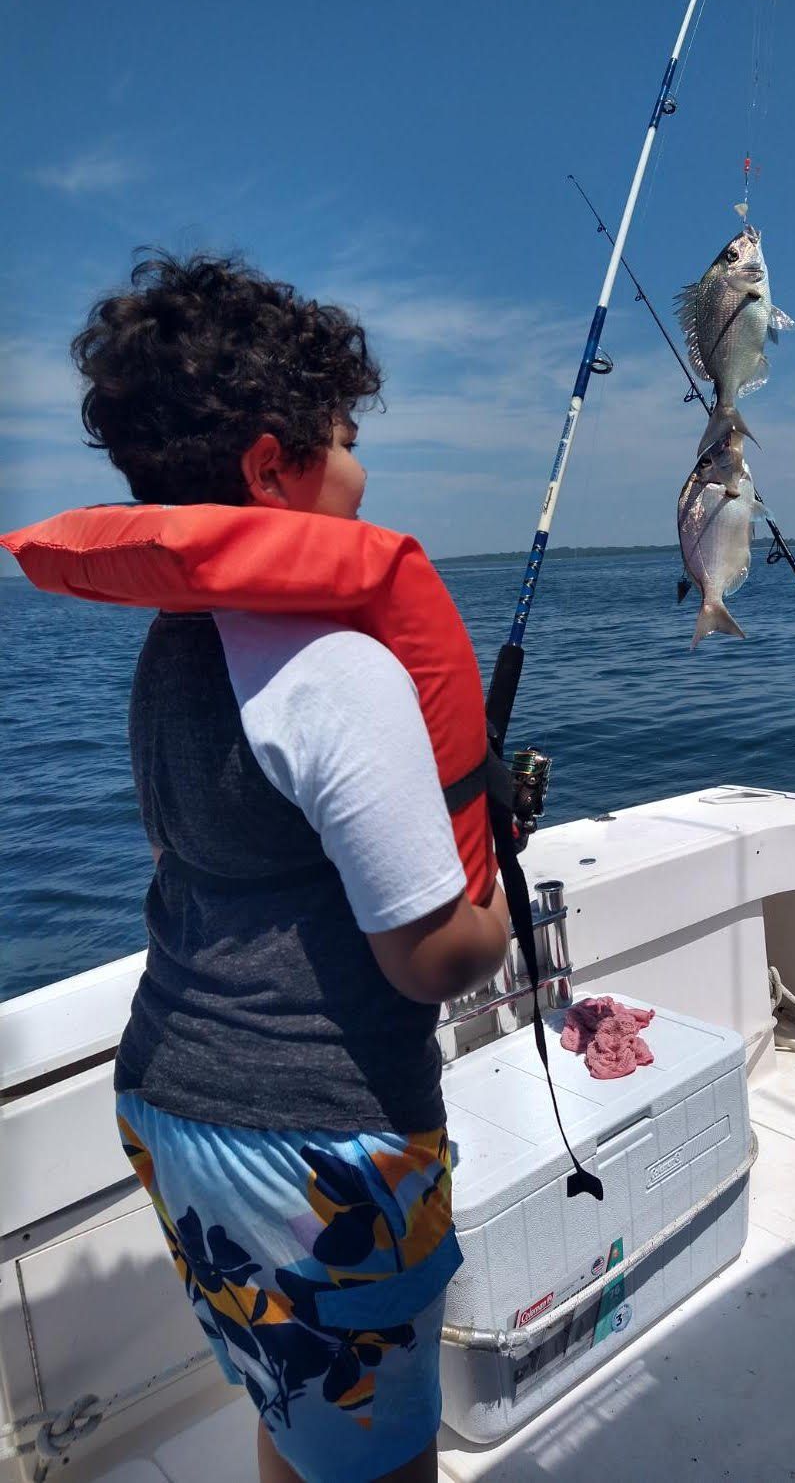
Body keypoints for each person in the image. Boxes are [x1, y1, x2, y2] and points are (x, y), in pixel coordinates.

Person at [70, 252, 510, 1483]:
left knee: (293, 1406)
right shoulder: (341, 670)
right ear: (276, 464)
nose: (365, 468)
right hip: (317, 1153)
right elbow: (430, 962)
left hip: (169, 1107)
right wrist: (492, 905)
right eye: (348, 436)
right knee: (385, 1463)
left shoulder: (173, 648)